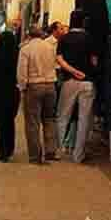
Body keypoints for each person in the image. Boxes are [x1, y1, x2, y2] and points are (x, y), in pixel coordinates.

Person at [56, 10, 97, 163]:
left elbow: (59, 59)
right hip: (87, 82)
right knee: (84, 119)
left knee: (62, 116)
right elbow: (94, 60)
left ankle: (60, 150)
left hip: (69, 81)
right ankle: (78, 155)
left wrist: (73, 71)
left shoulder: (64, 38)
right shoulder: (90, 38)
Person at [17, 25, 60, 164]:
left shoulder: (25, 49)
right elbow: (56, 66)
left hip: (34, 86)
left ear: (29, 35)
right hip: (50, 85)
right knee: (49, 119)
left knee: (32, 122)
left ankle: (35, 156)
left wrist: (22, 87)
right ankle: (50, 151)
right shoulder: (50, 47)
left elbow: (22, 72)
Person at [0, 30, 21, 162]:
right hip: (12, 92)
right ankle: (10, 148)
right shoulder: (17, 55)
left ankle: (3, 152)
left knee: (1, 123)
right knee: (10, 121)